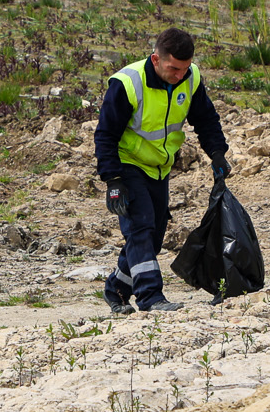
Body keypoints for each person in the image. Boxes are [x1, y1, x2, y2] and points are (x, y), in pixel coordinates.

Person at [93, 27, 230, 315]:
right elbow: (105, 134)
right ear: (156, 59)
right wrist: (113, 180)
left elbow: (205, 119)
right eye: (173, 69)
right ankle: (150, 297)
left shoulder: (190, 78)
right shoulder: (128, 83)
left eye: (185, 68)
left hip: (159, 168)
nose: (180, 75)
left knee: (152, 237)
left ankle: (116, 289)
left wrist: (217, 153)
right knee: (140, 228)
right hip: (127, 164)